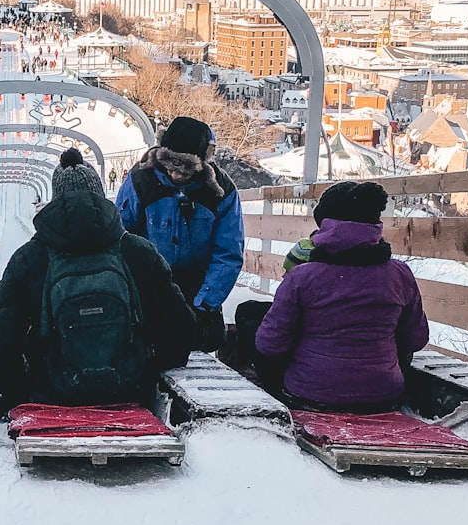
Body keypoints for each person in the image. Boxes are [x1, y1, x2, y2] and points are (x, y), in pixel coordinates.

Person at [0, 149, 196, 418]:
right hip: (130, 389)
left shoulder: (30, 257)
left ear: (54, 198)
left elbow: (3, 336)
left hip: (51, 393)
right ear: (100, 195)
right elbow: (180, 328)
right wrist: (152, 367)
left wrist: (14, 390)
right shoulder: (137, 251)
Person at [250, 181, 429, 411]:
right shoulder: (399, 274)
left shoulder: (302, 277)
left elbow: (269, 345)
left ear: (325, 225)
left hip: (310, 392)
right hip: (383, 395)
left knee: (254, 320)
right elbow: (416, 339)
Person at [116, 116, 244, 351]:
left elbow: (228, 253)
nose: (176, 176)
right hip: (149, 284)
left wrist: (204, 305)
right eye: (171, 167)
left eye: (186, 170)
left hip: (198, 286)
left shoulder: (221, 192)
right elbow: (120, 236)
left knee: (197, 349)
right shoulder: (141, 180)